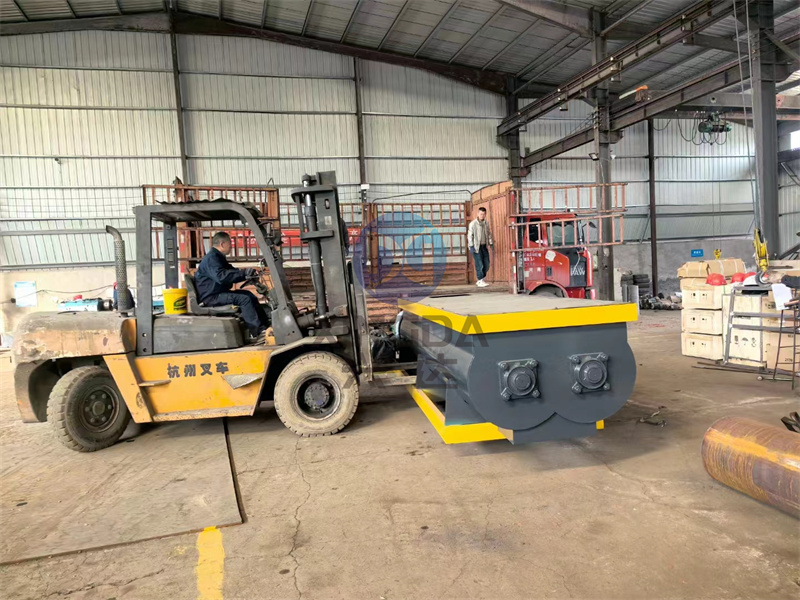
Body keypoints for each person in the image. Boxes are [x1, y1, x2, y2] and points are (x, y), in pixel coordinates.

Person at [194, 232, 269, 341]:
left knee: (248, 294)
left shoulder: (218, 257)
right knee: (244, 299)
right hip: (211, 297)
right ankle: (258, 333)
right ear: (222, 244)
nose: (231, 246)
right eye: (230, 244)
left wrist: (246, 273)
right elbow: (222, 277)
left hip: (217, 293)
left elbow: (231, 271)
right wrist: (244, 273)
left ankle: (266, 326)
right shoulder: (212, 258)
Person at [468, 207, 493, 287]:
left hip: (484, 246)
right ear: (478, 214)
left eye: (483, 214)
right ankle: (480, 280)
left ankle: (481, 279)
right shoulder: (473, 224)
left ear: (485, 214)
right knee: (479, 264)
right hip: (476, 247)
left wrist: (491, 243)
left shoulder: (486, 223)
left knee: (486, 263)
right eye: (481, 214)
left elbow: (488, 234)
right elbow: (470, 235)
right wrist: (471, 246)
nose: (482, 215)